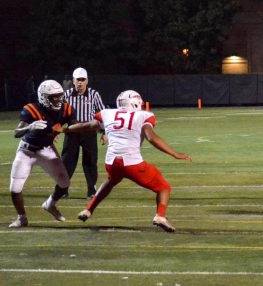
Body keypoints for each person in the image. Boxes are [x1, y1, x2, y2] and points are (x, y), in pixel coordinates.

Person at [54, 90, 192, 232]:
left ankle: (88, 210)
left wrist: (65, 130)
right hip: (132, 164)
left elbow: (87, 126)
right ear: (134, 102)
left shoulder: (108, 113)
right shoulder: (144, 116)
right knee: (164, 188)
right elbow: (151, 137)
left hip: (112, 163)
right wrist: (174, 154)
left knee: (110, 182)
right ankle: (160, 217)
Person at [8, 80, 73, 228]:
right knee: (15, 188)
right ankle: (22, 218)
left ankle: (50, 204)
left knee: (64, 183)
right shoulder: (31, 109)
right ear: (43, 97)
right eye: (53, 96)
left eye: (59, 95)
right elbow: (16, 133)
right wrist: (29, 127)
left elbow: (74, 125)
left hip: (46, 148)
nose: (58, 99)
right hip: (27, 150)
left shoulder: (66, 109)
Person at [61, 67, 105, 198]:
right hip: (72, 131)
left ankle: (91, 190)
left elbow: (103, 113)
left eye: (82, 80)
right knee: (67, 161)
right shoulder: (66, 95)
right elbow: (59, 114)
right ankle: (63, 189)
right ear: (73, 81)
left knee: (90, 161)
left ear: (87, 81)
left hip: (89, 131)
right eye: (77, 80)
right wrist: (55, 131)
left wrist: (105, 132)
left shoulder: (94, 94)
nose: (80, 82)